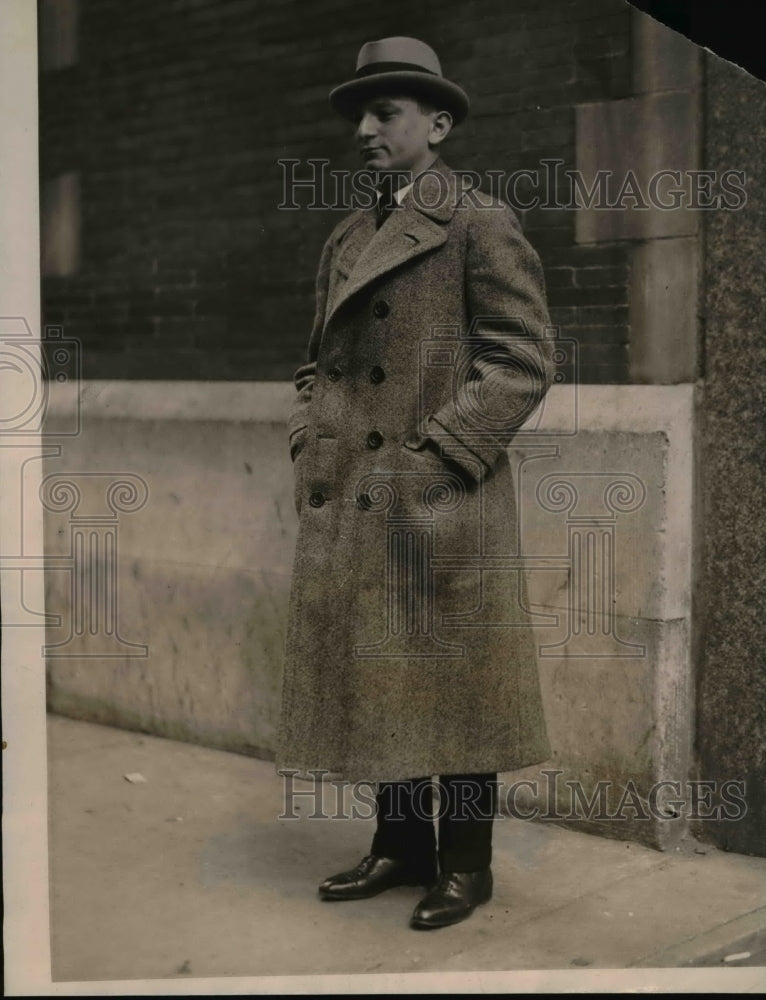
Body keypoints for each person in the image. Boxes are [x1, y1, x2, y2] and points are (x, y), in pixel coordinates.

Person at [278, 36, 553, 929]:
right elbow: (315, 366)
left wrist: (432, 459)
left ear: (436, 125)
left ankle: (467, 866)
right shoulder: (349, 236)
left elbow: (522, 362)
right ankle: (401, 846)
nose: (364, 130)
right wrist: (309, 442)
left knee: (457, 682)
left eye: (384, 112)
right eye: (360, 115)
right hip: (360, 490)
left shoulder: (478, 222)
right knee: (385, 675)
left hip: (441, 500)